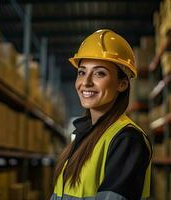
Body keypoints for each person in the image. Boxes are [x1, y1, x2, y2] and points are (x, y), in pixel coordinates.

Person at [51, 29, 152, 200]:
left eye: (99, 73)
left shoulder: (127, 139)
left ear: (122, 84)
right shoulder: (85, 134)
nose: (86, 82)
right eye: (81, 72)